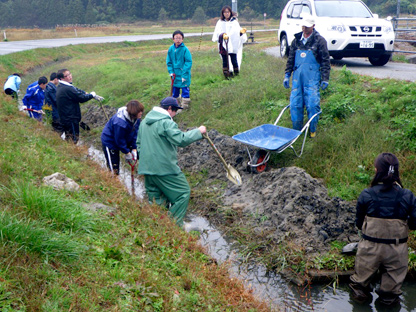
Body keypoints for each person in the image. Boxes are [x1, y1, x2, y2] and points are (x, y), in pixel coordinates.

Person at [349, 153, 416, 306]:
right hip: (397, 249)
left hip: (369, 248)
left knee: (359, 289)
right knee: (390, 297)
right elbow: (414, 224)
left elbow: (359, 223)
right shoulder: (407, 195)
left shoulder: (367, 194)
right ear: (397, 171)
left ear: (376, 170)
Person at [137, 96, 206, 226]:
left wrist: (147, 161)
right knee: (183, 193)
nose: (174, 115)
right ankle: (172, 226)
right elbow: (181, 139)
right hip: (165, 169)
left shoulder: (144, 122)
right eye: (175, 111)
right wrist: (198, 132)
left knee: (156, 201)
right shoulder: (166, 123)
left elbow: (138, 144)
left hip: (147, 168)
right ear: (169, 109)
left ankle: (158, 229)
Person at [283, 14, 330, 138]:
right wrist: (287, 74)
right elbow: (291, 59)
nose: (304, 29)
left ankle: (312, 131)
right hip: (297, 79)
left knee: (312, 104)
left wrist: (325, 78)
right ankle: (296, 132)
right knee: (295, 104)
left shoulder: (320, 41)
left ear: (313, 26)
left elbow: (325, 61)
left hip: (312, 79)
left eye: (307, 27)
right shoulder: (296, 41)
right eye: (303, 26)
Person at [56, 68, 103, 144]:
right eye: (67, 76)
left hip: (67, 118)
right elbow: (81, 98)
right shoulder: (66, 88)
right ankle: (72, 154)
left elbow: (76, 90)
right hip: (70, 118)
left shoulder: (63, 86)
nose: (70, 76)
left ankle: (70, 151)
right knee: (73, 139)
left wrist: (86, 93)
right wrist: (92, 95)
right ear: (62, 78)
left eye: (70, 74)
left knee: (70, 137)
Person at [101, 100, 144, 175]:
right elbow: (119, 140)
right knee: (114, 168)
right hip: (110, 142)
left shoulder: (137, 119)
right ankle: (113, 181)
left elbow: (136, 133)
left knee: (139, 153)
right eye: (139, 112)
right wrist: (127, 153)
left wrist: (134, 148)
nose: (141, 113)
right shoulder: (120, 123)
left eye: (141, 111)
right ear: (133, 113)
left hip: (123, 137)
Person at [212, 6, 247, 79]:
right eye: (225, 12)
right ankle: (227, 74)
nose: (226, 14)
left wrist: (241, 32)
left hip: (233, 43)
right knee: (225, 60)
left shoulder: (234, 22)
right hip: (224, 43)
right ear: (223, 13)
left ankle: (236, 74)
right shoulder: (220, 22)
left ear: (230, 13)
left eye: (228, 12)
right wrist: (222, 35)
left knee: (233, 59)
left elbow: (237, 31)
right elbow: (218, 32)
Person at [166, 30, 192, 109]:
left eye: (180, 38)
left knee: (185, 89)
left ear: (182, 39)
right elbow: (169, 61)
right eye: (176, 38)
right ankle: (176, 106)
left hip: (183, 73)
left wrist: (184, 74)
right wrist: (170, 71)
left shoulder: (185, 49)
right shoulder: (171, 49)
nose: (178, 40)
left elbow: (188, 62)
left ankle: (184, 106)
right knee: (175, 90)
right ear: (173, 39)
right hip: (174, 74)